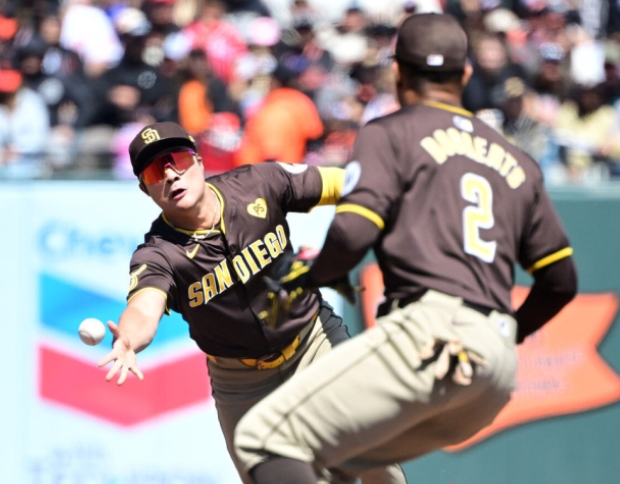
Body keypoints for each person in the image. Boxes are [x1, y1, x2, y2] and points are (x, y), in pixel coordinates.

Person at [233, 13, 578, 484]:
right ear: (466, 75)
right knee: (338, 461)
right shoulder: (516, 159)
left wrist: (316, 276)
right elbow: (561, 281)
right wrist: (504, 335)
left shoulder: (391, 132)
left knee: (263, 439)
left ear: (397, 73)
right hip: (493, 369)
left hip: (431, 333)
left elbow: (352, 233)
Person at [98, 121, 407, 484]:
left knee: (372, 456)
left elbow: (344, 184)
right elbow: (144, 308)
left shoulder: (258, 183)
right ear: (144, 188)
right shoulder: (159, 254)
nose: (170, 175)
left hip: (313, 343)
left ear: (197, 160)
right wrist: (130, 339)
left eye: (177, 159)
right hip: (241, 382)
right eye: (154, 170)